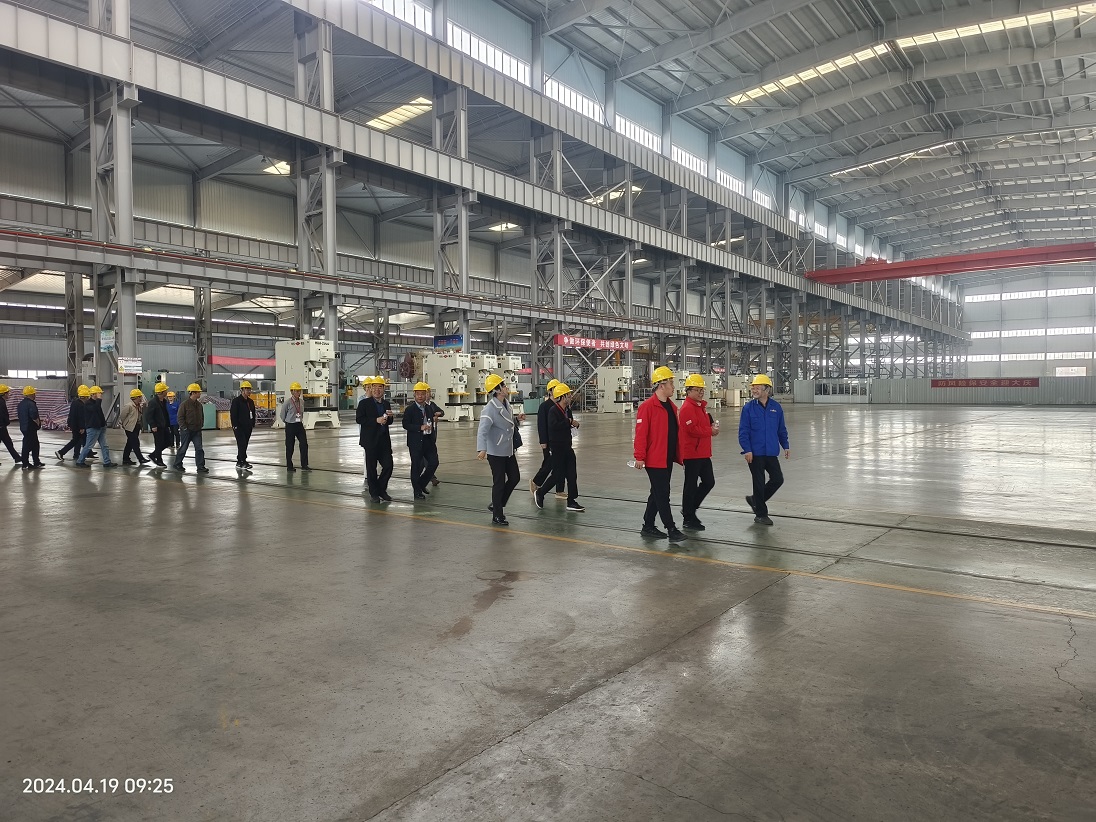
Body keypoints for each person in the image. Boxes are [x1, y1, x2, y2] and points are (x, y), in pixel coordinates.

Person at [633, 366, 686, 543]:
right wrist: (639, 456)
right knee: (663, 493)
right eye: (671, 383)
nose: (673, 387)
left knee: (656, 492)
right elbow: (641, 434)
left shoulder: (671, 406)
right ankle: (671, 529)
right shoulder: (647, 407)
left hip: (667, 458)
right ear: (662, 385)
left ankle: (648, 526)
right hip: (655, 459)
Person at [738, 374, 790, 527]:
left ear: (767, 390)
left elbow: (781, 429)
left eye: (757, 388)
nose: (754, 390)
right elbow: (743, 432)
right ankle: (761, 514)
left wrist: (785, 445)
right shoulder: (748, 408)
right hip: (755, 453)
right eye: (753, 388)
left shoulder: (776, 408)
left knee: (777, 479)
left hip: (771, 451)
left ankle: (756, 500)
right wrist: (747, 450)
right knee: (759, 483)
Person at [477, 374, 523, 526]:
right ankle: (497, 515)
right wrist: (482, 449)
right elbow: (482, 430)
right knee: (499, 483)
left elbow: (506, 423)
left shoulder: (506, 404)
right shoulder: (489, 409)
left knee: (515, 477)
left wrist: (517, 419)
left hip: (508, 449)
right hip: (496, 452)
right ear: (497, 390)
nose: (506, 387)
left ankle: (497, 503)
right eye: (503, 385)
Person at [533, 383, 584, 512]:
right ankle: (540, 493)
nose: (571, 397)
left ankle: (571, 501)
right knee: (557, 475)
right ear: (562, 397)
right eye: (568, 395)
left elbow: (567, 423)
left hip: (567, 446)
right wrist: (569, 422)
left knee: (572, 475)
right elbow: (554, 426)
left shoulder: (567, 410)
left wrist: (573, 424)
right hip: (557, 448)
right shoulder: (553, 411)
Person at [679, 374, 718, 531]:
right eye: (697, 390)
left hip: (703, 452)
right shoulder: (687, 409)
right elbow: (692, 429)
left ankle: (689, 508)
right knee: (690, 484)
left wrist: (711, 427)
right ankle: (688, 517)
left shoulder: (701, 407)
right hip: (692, 454)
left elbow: (702, 425)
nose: (701, 392)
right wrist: (710, 431)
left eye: (702, 390)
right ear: (688, 391)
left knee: (709, 482)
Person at [402, 381, 444, 500]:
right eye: (418, 394)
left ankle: (421, 484)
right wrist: (419, 427)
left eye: (422, 394)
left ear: (426, 395)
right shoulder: (410, 409)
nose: (420, 396)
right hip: (416, 442)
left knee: (434, 462)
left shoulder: (429, 408)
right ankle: (417, 491)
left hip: (428, 441)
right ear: (414, 395)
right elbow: (405, 424)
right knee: (416, 466)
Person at [357, 376, 394, 502]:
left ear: (384, 389)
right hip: (370, 441)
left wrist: (390, 418)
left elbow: (389, 422)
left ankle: (381, 489)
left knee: (388, 466)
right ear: (371, 388)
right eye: (375, 387)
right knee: (371, 469)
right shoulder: (364, 403)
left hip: (384, 441)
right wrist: (375, 420)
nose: (377, 390)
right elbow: (359, 419)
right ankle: (374, 494)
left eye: (380, 387)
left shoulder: (386, 404)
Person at [529, 378, 566, 499]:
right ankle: (536, 482)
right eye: (554, 388)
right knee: (549, 464)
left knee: (561, 465)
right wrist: (543, 441)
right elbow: (541, 425)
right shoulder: (544, 406)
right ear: (550, 391)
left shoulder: (561, 405)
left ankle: (560, 490)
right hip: (549, 441)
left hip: (560, 440)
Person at [75, 386, 116, 468]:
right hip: (93, 428)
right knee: (89, 446)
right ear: (94, 394)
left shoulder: (96, 403)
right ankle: (80, 461)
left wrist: (103, 424)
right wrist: (99, 400)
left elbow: (99, 414)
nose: (101, 395)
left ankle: (107, 462)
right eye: (99, 393)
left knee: (104, 445)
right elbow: (94, 409)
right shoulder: (88, 403)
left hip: (100, 427)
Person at [173, 383, 209, 473]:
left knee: (199, 449)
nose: (200, 393)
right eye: (198, 392)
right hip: (187, 431)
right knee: (183, 448)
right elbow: (180, 417)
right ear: (193, 393)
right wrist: (184, 428)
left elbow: (202, 416)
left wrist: (201, 425)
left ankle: (200, 466)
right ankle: (177, 464)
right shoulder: (184, 404)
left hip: (197, 431)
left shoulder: (199, 405)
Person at [280, 381, 310, 472]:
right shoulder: (287, 403)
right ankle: (289, 466)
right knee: (290, 446)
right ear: (292, 392)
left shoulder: (302, 402)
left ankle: (304, 465)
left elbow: (301, 413)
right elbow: (282, 415)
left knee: (304, 444)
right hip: (290, 425)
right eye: (296, 391)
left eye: (299, 391)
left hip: (299, 425)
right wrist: (287, 422)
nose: (298, 392)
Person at [56, 385, 90, 461]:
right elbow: (80, 417)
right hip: (78, 426)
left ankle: (78, 454)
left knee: (79, 440)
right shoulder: (81, 405)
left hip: (74, 425)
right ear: (85, 397)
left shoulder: (75, 402)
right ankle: (61, 452)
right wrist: (81, 427)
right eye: (87, 397)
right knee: (75, 440)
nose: (88, 398)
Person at [230, 380, 257, 470]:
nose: (249, 391)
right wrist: (235, 425)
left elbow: (253, 413)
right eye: (247, 389)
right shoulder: (236, 401)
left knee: (245, 444)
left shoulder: (250, 402)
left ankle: (239, 461)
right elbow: (233, 414)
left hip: (248, 427)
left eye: (249, 389)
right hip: (239, 427)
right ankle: (243, 461)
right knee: (242, 444)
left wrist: (252, 423)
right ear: (242, 390)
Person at [17, 385, 45, 469]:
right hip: (31, 428)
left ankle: (36, 461)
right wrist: (38, 424)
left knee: (34, 444)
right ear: (31, 394)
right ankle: (26, 463)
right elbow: (34, 416)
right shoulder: (31, 404)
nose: (35, 395)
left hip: (24, 427)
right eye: (34, 393)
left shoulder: (21, 404)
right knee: (28, 445)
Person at [119, 388, 149, 466]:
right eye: (140, 397)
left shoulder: (138, 406)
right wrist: (124, 424)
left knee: (130, 443)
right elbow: (122, 416)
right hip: (129, 427)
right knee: (135, 443)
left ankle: (126, 459)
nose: (141, 398)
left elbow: (145, 406)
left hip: (136, 426)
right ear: (137, 397)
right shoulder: (129, 406)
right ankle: (141, 458)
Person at [143, 382, 171, 467]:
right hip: (157, 427)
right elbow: (148, 415)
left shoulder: (164, 401)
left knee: (168, 442)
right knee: (159, 444)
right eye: (165, 390)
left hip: (164, 425)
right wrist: (153, 425)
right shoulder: (153, 402)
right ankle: (159, 460)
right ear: (162, 392)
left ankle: (153, 455)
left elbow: (165, 414)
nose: (167, 392)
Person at [0, 384, 23, 465]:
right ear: (4, 394)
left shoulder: (2, 401)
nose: (8, 395)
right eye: (7, 393)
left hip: (1, 426)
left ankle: (17, 458)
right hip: (1, 427)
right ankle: (17, 458)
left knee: (8, 442)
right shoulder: (1, 402)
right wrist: (5, 423)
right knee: (8, 442)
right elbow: (2, 415)